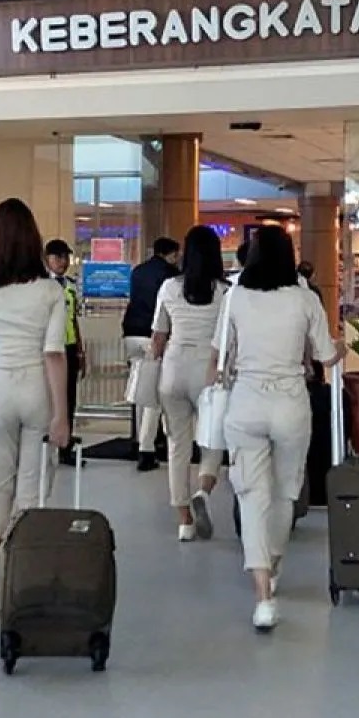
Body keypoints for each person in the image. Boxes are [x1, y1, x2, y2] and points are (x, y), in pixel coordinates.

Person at [210, 225, 345, 632]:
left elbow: (220, 355)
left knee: (252, 495)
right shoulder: (305, 299)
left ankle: (263, 596)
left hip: (246, 402)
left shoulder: (234, 296)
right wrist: (342, 347)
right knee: (286, 491)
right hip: (290, 403)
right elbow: (326, 355)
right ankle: (275, 563)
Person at [0, 198, 71, 618]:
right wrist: (61, 415)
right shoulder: (49, 290)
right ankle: (23, 571)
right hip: (36, 390)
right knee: (32, 485)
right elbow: (54, 355)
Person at [149, 226, 229, 542]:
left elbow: (158, 335)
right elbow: (229, 338)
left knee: (177, 446)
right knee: (211, 441)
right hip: (209, 373)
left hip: (173, 369)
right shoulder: (224, 291)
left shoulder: (169, 287)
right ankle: (204, 492)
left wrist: (152, 361)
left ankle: (184, 521)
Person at [122, 236, 180, 472]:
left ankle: (138, 439)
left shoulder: (137, 271)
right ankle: (147, 449)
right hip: (151, 336)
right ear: (172, 254)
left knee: (140, 391)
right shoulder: (170, 275)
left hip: (130, 333)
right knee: (153, 396)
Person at [45, 238, 87, 462]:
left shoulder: (70, 285)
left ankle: (65, 446)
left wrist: (80, 350)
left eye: (66, 257)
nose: (63, 262)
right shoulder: (42, 285)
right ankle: (46, 443)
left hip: (68, 347)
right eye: (58, 257)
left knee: (69, 396)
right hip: (50, 348)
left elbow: (74, 319)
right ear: (47, 259)